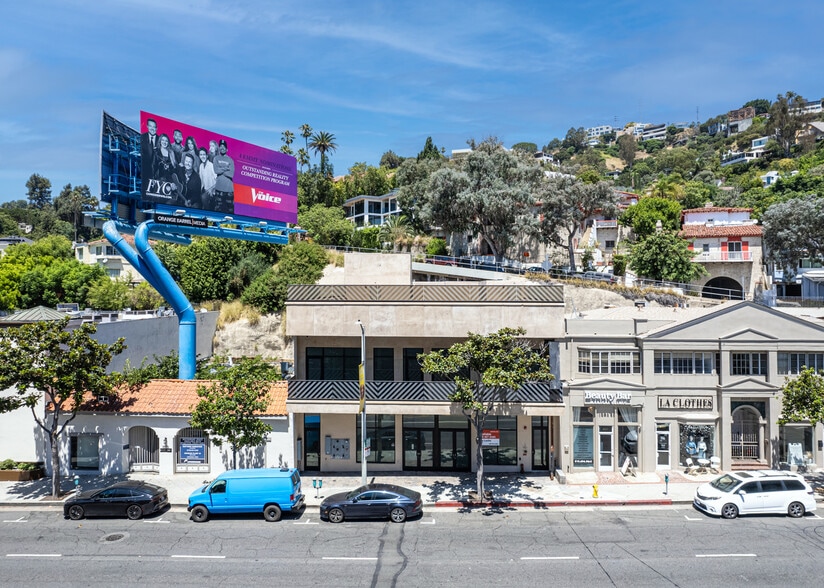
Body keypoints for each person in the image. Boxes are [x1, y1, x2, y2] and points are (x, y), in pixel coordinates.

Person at [213, 139, 235, 213]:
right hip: (219, 189)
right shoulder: (216, 158)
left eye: (224, 146)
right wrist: (226, 168)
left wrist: (221, 169)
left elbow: (231, 174)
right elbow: (216, 170)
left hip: (229, 190)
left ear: (227, 149)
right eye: (221, 146)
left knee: (230, 211)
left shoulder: (230, 160)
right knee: (217, 210)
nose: (222, 148)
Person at [140, 118, 159, 184]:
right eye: (150, 126)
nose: (152, 128)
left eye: (154, 127)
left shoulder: (161, 140)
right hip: (145, 173)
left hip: (157, 174)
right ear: (147, 126)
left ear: (157, 128)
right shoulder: (142, 138)